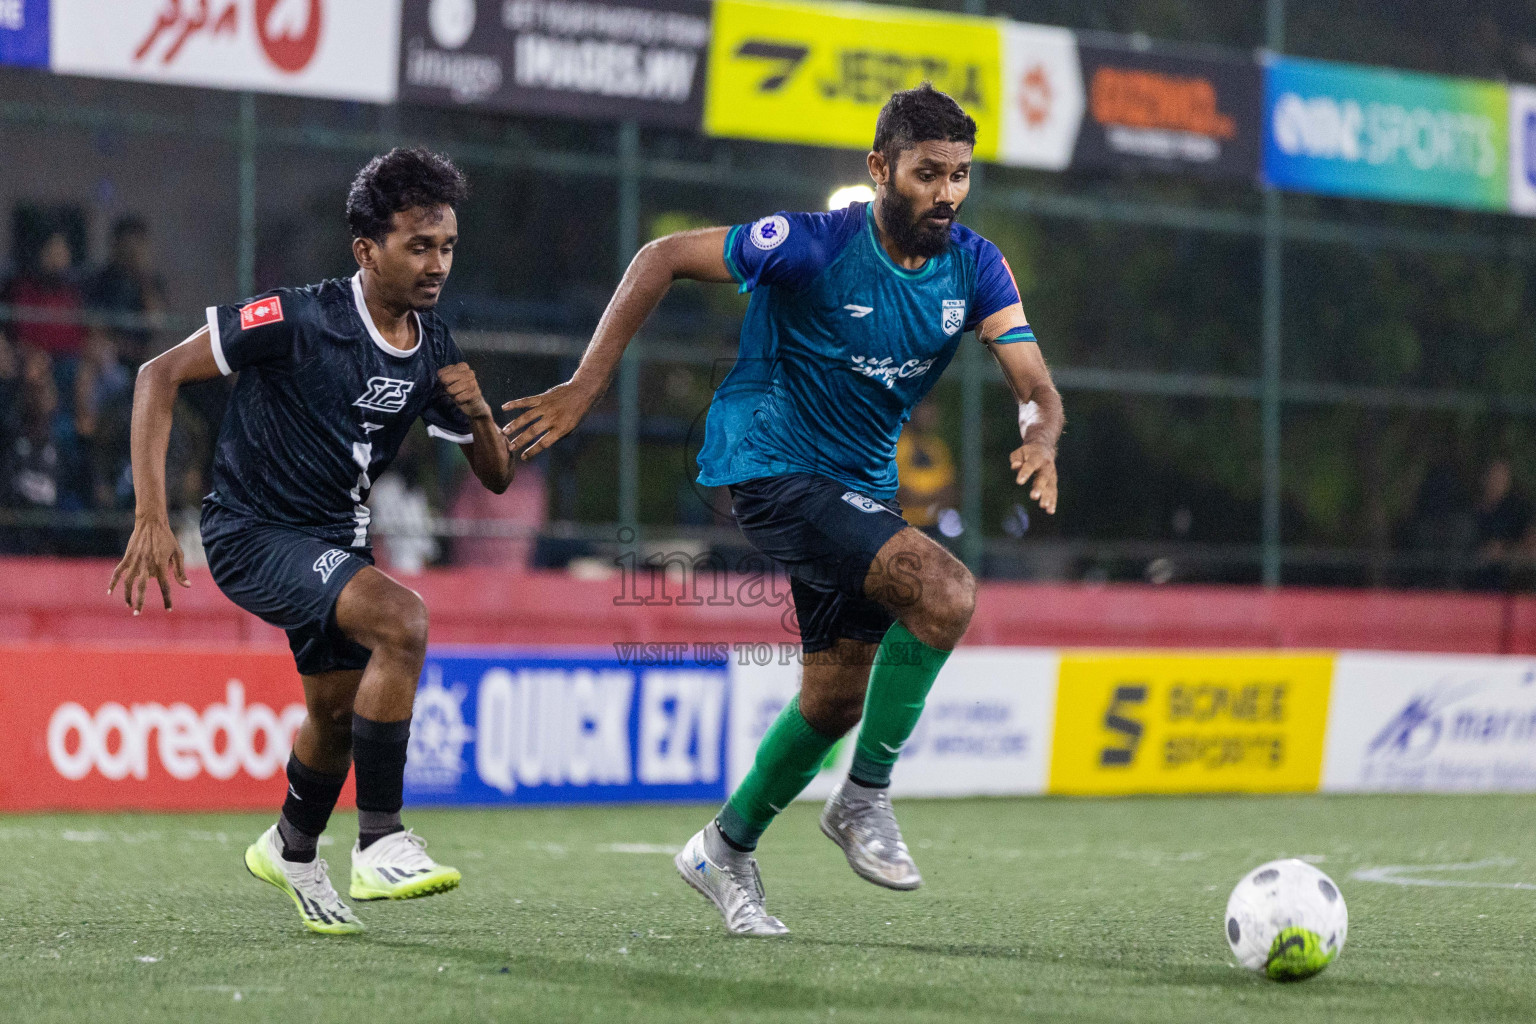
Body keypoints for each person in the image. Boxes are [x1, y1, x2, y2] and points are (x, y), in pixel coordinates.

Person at [502, 85, 1064, 935]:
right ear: (880, 170)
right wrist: (586, 387)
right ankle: (865, 798)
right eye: (927, 173)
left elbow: (1034, 386)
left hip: (857, 490)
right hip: (764, 466)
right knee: (944, 590)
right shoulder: (809, 245)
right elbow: (659, 257)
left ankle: (723, 849)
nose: (947, 192)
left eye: (960, 175)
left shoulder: (976, 265)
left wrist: (1042, 434)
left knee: (834, 700)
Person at [109, 148, 515, 935]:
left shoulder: (434, 346)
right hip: (253, 531)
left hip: (335, 544)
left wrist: (481, 413)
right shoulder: (298, 316)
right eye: (419, 246)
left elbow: (495, 478)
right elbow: (157, 376)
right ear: (367, 250)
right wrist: (151, 515)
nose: (437, 265)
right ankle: (381, 839)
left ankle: (292, 848)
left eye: (448, 247)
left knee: (333, 712)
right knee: (404, 620)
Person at [895, 398, 959, 541]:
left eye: (931, 409)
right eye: (924, 409)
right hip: (902, 526)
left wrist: (921, 498)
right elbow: (901, 493)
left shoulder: (938, 448)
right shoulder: (897, 446)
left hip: (933, 528)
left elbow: (950, 492)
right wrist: (933, 497)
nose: (929, 414)